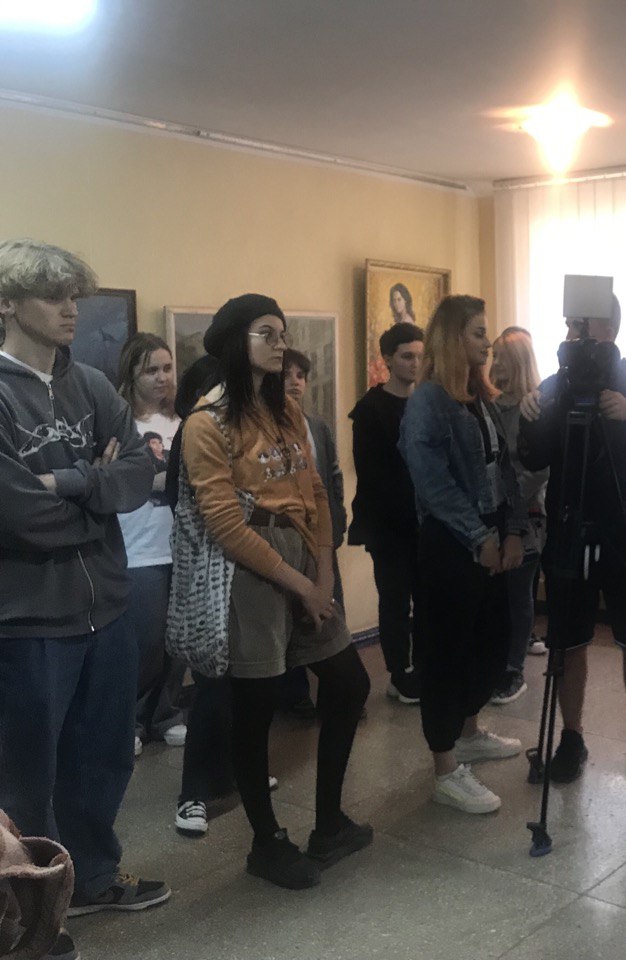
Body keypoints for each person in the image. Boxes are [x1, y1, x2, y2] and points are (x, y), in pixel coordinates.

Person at [0, 239, 169, 950]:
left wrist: (68, 483)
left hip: (107, 607)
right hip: (30, 620)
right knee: (26, 777)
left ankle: (94, 876)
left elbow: (139, 474)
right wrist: (96, 496)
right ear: (8, 304)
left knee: (104, 756)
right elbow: (17, 514)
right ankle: (32, 913)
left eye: (75, 295)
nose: (72, 309)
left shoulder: (94, 385)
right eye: (54, 296)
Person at [182, 293, 371, 889]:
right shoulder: (205, 423)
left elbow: (315, 492)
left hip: (305, 557)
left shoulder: (285, 409)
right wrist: (299, 585)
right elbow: (226, 525)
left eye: (283, 333)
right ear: (234, 341)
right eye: (267, 333)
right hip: (252, 572)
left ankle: (329, 823)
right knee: (256, 708)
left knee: (350, 682)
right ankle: (266, 843)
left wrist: (323, 576)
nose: (280, 344)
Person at [518, 294, 626, 791]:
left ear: (608, 329)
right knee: (567, 641)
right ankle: (571, 738)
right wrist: (530, 415)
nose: (573, 334)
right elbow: (533, 457)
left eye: (581, 325)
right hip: (570, 529)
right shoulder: (555, 388)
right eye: (568, 324)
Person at [399, 294, 524, 814]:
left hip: (490, 534)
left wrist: (513, 529)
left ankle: (470, 732)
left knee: (492, 641)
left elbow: (504, 468)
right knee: (446, 653)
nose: (487, 342)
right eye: (477, 333)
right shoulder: (428, 401)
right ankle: (446, 767)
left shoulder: (479, 397)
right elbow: (432, 483)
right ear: (453, 338)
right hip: (451, 543)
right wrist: (478, 536)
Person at [116, 332, 187, 757]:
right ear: (133, 375)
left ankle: (166, 715)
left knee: (178, 641)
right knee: (143, 643)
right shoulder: (121, 425)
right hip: (139, 549)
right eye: (151, 370)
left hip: (182, 546)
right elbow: (116, 482)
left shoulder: (183, 423)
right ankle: (129, 721)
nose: (162, 377)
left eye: (167, 368)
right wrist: (158, 480)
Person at [349, 322, 426, 704]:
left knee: (426, 599)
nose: (415, 364)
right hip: (389, 526)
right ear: (388, 359)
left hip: (424, 523)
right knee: (394, 601)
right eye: (407, 356)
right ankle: (399, 672)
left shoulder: (425, 402)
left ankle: (423, 666)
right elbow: (374, 474)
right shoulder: (371, 410)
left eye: (419, 356)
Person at [279, 348, 348, 718]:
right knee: (292, 612)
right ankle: (295, 693)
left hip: (322, 535)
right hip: (288, 537)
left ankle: (337, 690)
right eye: (287, 375)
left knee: (331, 604)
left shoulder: (317, 426)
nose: (295, 382)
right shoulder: (270, 429)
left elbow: (332, 476)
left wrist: (338, 518)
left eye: (301, 376)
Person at [489, 327, 549, 705]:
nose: (495, 365)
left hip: (527, 514)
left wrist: (511, 501)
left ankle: (514, 669)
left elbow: (538, 470)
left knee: (519, 593)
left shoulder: (535, 409)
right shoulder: (490, 407)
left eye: (502, 358)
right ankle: (497, 661)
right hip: (494, 513)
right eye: (493, 357)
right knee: (499, 595)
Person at [367, 283, 416, 385]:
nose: (396, 303)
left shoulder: (407, 324)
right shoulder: (397, 322)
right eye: (394, 300)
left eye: (399, 299)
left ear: (405, 300)